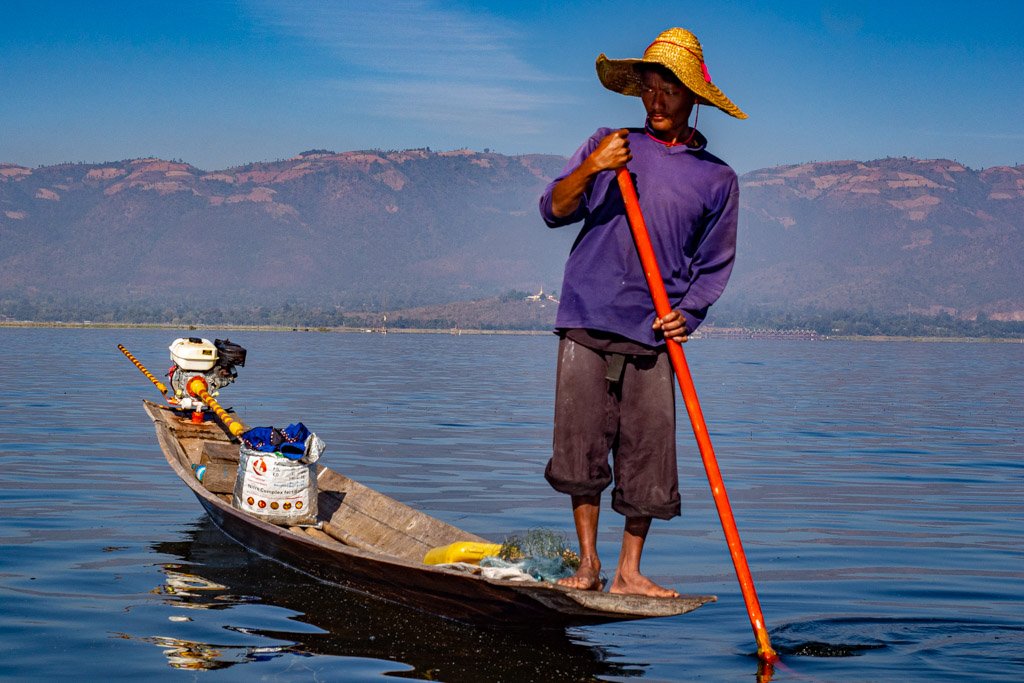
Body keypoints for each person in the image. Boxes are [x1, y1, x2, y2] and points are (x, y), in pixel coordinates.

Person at [538, 27, 746, 597]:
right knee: (581, 447)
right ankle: (588, 565)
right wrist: (593, 167)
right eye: (648, 89)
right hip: (587, 315)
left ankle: (629, 571)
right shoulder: (611, 144)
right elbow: (553, 209)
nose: (655, 101)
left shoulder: (717, 179)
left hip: (654, 332)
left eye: (668, 92)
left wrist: (691, 314)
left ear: (693, 99)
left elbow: (713, 264)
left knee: (648, 454)